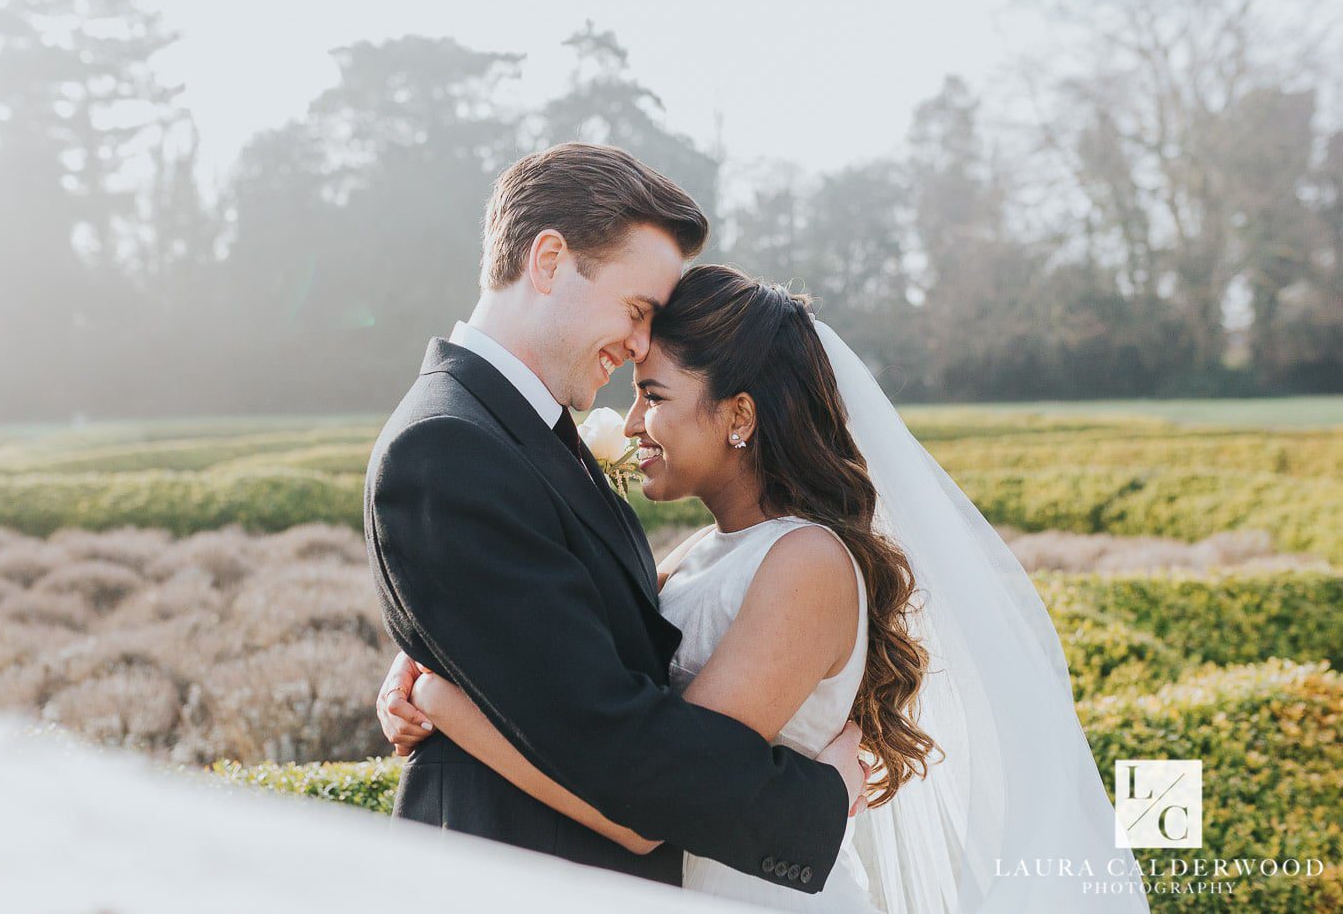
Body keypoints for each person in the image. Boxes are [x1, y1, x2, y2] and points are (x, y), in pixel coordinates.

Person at [384, 264, 1152, 913]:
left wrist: (442, 698)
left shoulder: (806, 562)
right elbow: (570, 666)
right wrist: (446, 650)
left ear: (739, 417)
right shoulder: (699, 551)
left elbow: (647, 802)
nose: (634, 418)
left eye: (654, 394)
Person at [364, 144, 867, 897]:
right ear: (549, 260)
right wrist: (816, 801)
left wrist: (441, 680)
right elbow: (610, 743)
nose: (639, 345)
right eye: (636, 312)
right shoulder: (449, 446)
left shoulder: (523, 438)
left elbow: (572, 670)